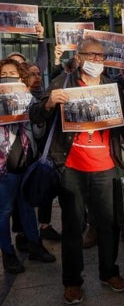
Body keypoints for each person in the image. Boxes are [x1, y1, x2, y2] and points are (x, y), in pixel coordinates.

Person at [29, 37, 124, 303]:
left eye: (100, 57)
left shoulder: (112, 88)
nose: (96, 61)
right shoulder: (63, 83)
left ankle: (109, 272)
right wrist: (48, 104)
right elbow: (35, 114)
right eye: (91, 55)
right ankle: (72, 282)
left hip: (106, 168)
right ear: (78, 57)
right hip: (71, 168)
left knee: (109, 224)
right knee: (72, 226)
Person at [0, 58, 56, 275]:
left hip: (26, 160)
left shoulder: (29, 99)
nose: (8, 78)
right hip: (4, 164)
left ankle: (35, 245)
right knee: (4, 211)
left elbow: (39, 133)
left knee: (26, 206)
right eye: (3, 74)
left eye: (13, 75)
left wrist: (39, 118)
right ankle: (8, 252)